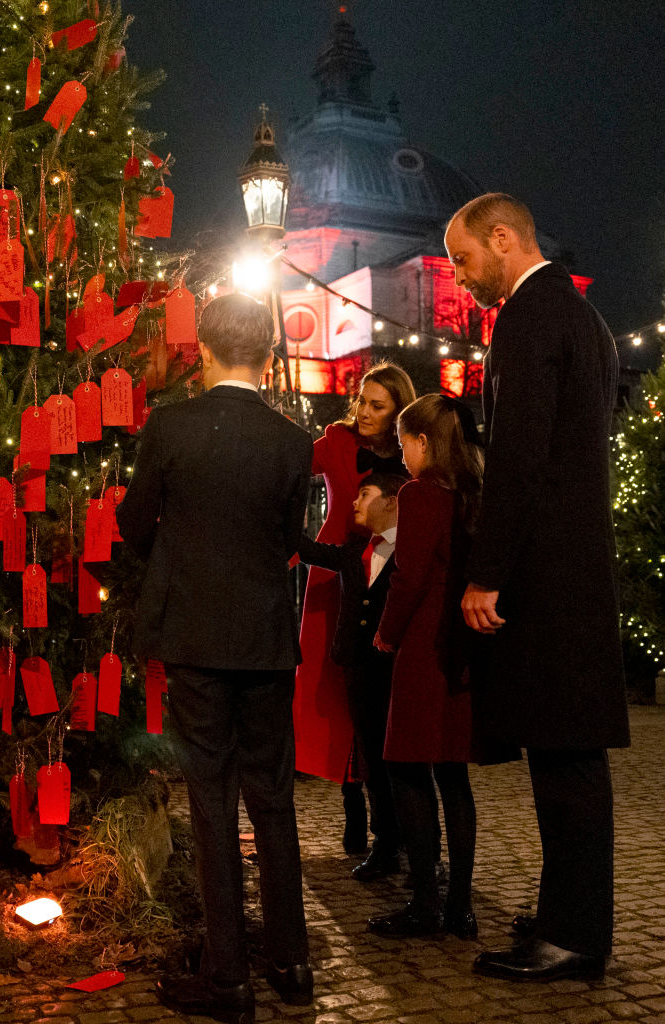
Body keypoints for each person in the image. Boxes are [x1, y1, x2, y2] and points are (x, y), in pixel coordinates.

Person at [444, 193, 630, 981]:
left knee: (564, 760)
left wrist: (486, 573)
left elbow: (518, 458)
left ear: (501, 238)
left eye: (462, 260)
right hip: (577, 564)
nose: (460, 280)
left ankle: (575, 936)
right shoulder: (581, 317)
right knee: (565, 757)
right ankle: (566, 916)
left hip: (547, 577)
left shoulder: (525, 319)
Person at [116, 293, 314, 1023]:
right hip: (264, 639)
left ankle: (229, 975)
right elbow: (289, 539)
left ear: (201, 352)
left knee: (211, 802)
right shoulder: (292, 441)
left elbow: (136, 523)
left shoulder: (172, 427)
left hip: (196, 636)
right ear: (266, 354)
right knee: (272, 798)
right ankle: (291, 961)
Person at [369, 394, 483, 940]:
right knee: (453, 776)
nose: (402, 456)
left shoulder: (419, 493)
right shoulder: (470, 491)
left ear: (421, 442)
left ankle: (423, 901)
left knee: (407, 768)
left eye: (403, 443)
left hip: (422, 645)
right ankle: (460, 906)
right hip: (461, 645)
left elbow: (408, 575)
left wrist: (387, 634)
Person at [293, 362, 417, 854]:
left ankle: (392, 818)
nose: (363, 411)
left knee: (380, 699)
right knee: (336, 692)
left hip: (390, 579)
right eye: (361, 400)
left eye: (376, 405)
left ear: (397, 412)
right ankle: (352, 809)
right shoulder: (337, 441)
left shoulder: (412, 451)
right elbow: (288, 466)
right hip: (335, 575)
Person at [296, 472, 407, 882]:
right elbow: (308, 550)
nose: (356, 502)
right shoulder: (353, 551)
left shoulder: (409, 550)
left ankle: (415, 841)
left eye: (365, 493)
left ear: (393, 501)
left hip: (394, 669)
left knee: (403, 760)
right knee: (371, 756)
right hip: (358, 668)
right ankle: (385, 842)